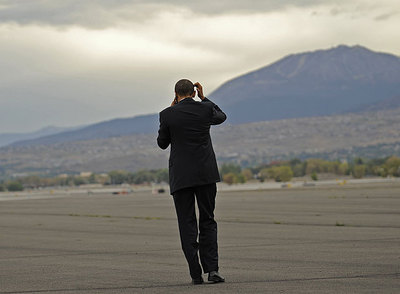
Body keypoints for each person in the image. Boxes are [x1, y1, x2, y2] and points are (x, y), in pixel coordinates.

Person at [157, 79, 226, 284]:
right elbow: (221, 116)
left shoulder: (167, 114)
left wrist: (172, 111)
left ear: (175, 93)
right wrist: (205, 98)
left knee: (187, 224)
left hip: (181, 177)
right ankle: (212, 270)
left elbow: (162, 143)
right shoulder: (205, 109)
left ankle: (195, 274)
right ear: (194, 92)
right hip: (205, 174)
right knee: (208, 220)